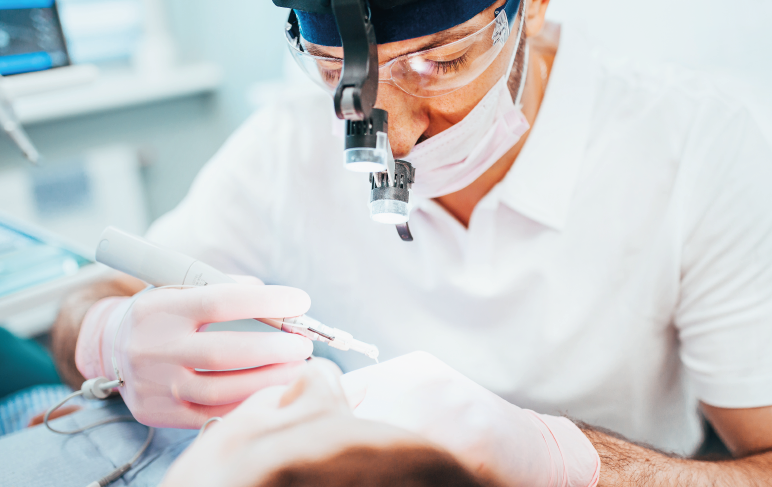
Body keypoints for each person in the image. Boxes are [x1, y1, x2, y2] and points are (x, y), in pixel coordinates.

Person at [50, 0, 772, 484]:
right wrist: (109, 335)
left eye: (442, 61)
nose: (389, 135)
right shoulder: (284, 144)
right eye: (338, 75)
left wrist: (568, 462)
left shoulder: (697, 148)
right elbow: (89, 295)